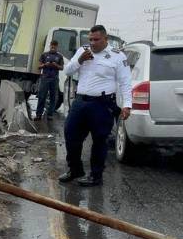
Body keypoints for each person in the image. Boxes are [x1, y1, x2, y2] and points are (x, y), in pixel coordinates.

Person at [58, 25, 132, 187]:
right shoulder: (82, 51)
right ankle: (75, 170)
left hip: (102, 104)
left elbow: (126, 82)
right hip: (80, 102)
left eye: (96, 39)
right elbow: (68, 71)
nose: (92, 43)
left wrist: (127, 105)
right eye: (90, 39)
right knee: (71, 135)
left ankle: (96, 175)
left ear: (106, 39)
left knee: (99, 140)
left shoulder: (117, 56)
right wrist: (80, 60)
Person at [34, 41, 65, 120]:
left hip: (54, 79)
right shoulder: (44, 55)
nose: (53, 47)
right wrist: (45, 65)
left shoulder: (59, 56)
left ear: (57, 47)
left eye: (55, 46)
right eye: (52, 46)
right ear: (50, 46)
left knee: (53, 97)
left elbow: (62, 68)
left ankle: (50, 114)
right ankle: (38, 114)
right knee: (42, 96)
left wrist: (56, 65)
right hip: (45, 78)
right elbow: (39, 66)